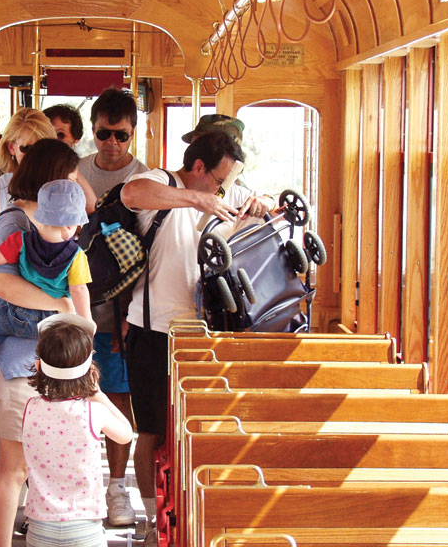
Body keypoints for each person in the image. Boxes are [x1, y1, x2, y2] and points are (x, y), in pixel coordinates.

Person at [120, 130, 277, 545]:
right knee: (151, 430)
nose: (223, 190)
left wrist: (259, 204)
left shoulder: (222, 192)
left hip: (204, 332)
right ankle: (154, 519)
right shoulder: (163, 182)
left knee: (201, 429)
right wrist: (197, 199)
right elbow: (132, 193)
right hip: (152, 329)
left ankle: (195, 515)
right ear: (199, 168)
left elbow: (262, 207)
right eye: (218, 181)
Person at [0, 138, 85, 547]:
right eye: (71, 178)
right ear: (52, 180)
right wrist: (60, 305)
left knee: (32, 464)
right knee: (14, 467)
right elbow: (3, 285)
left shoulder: (45, 225)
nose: (75, 186)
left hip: (34, 361)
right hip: (15, 362)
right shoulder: (16, 223)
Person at [0, 177, 92, 407]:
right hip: (52, 322)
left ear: (40, 216)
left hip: (16, 314)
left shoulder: (20, 240)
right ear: (72, 226)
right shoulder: (77, 256)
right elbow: (79, 290)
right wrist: (86, 321)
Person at [77, 86, 149, 527]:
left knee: (118, 399)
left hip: (123, 312)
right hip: (73, 308)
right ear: (94, 130)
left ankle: (117, 488)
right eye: (105, 133)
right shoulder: (75, 172)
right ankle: (76, 484)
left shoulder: (146, 180)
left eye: (121, 135)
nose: (112, 143)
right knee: (69, 399)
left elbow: (149, 256)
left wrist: (130, 314)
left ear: (133, 134)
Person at [22, 313, 134, 547]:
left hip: (40, 526)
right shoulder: (94, 412)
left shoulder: (30, 408)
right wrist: (99, 394)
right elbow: (125, 434)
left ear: (38, 366)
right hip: (85, 528)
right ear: (89, 370)